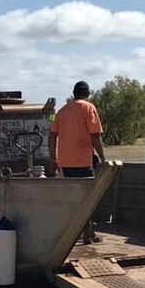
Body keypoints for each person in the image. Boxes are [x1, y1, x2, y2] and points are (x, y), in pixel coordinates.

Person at [49, 81, 105, 243]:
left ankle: (82, 234)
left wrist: (53, 159)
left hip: (65, 163)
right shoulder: (88, 108)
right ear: (87, 94)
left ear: (74, 93)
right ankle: (88, 235)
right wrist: (103, 158)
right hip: (83, 162)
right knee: (88, 199)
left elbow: (52, 136)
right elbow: (95, 135)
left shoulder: (62, 111)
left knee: (73, 199)